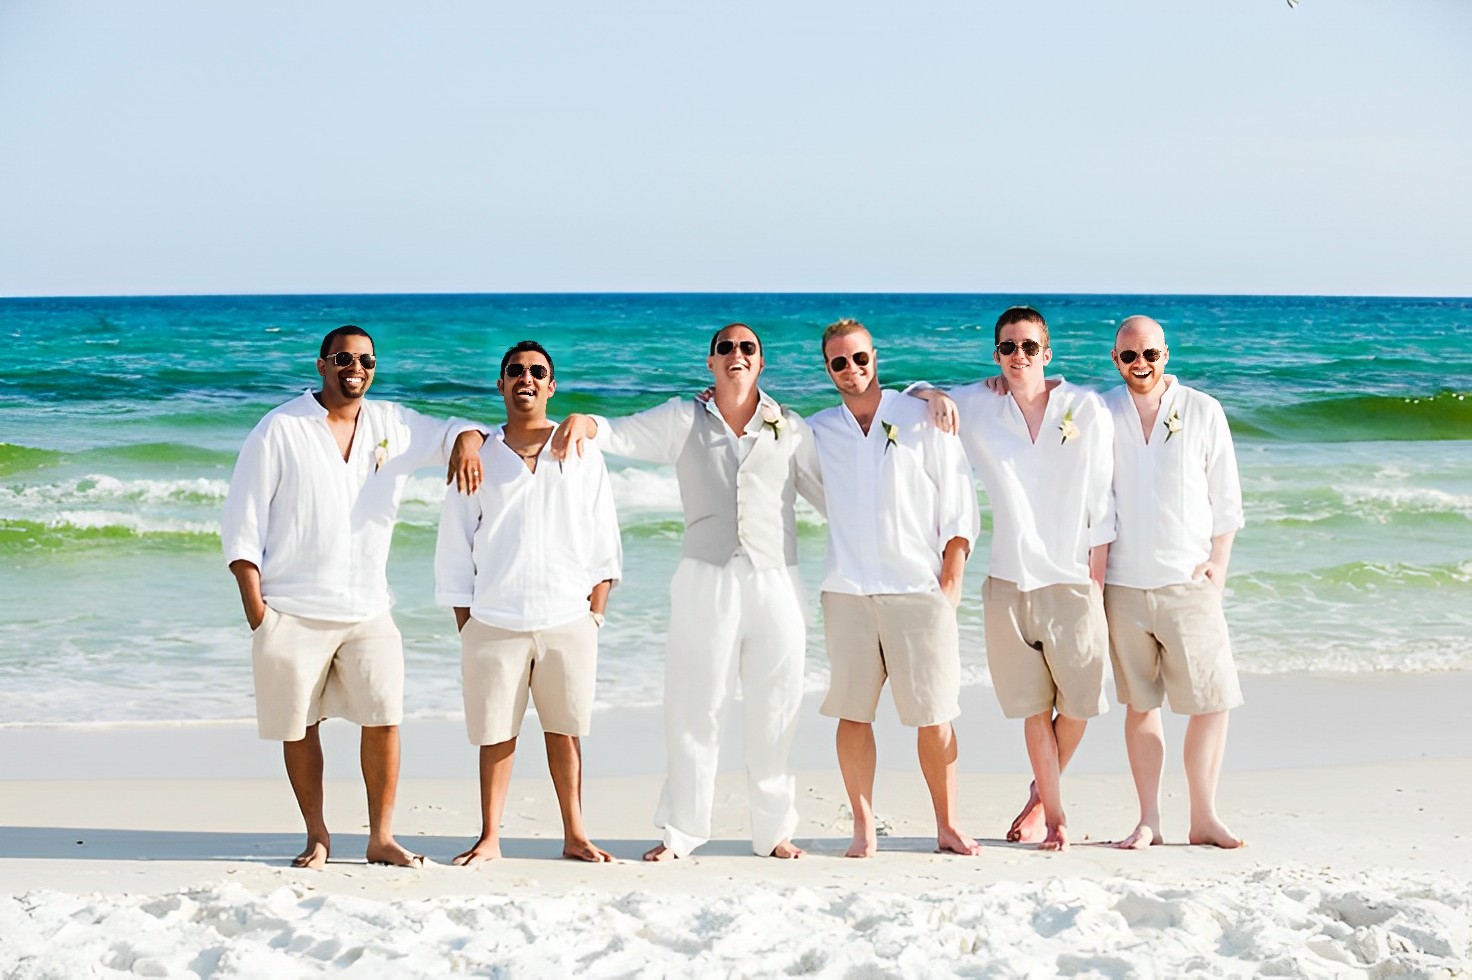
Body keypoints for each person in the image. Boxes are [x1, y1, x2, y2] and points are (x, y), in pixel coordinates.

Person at [554, 323, 824, 861]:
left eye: (748, 349)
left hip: (777, 580)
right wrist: (585, 420)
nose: (737, 356)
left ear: (761, 362)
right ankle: (681, 831)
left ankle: (774, 831)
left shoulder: (789, 426)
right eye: (726, 348)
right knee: (693, 706)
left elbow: (832, 496)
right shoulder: (683, 418)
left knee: (777, 706)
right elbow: (622, 433)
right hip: (706, 578)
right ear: (710, 361)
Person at [222, 325, 486, 869]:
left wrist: (466, 440)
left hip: (369, 608)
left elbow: (462, 426)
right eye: (343, 359)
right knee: (300, 726)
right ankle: (317, 835)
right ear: (321, 365)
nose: (355, 369)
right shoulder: (280, 428)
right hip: (290, 609)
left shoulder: (392, 424)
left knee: (385, 718)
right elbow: (242, 526)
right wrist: (259, 614)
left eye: (366, 361)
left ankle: (380, 837)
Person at [912, 306, 1114, 851]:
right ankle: (1054, 817)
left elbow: (1103, 497)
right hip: (1007, 581)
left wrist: (1096, 579)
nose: (1018, 357)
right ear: (995, 356)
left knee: (1078, 706)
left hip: (1073, 581)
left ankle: (1035, 797)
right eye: (1007, 348)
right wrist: (933, 395)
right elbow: (909, 395)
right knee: (1031, 709)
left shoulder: (1085, 408)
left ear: (1048, 354)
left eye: (1028, 347)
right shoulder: (979, 405)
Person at [435, 340, 622, 865]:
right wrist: (467, 622)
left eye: (537, 372)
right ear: (500, 384)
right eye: (515, 371)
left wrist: (596, 613)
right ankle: (490, 837)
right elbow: (455, 544)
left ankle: (575, 833)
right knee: (496, 734)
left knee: (566, 731)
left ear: (551, 385)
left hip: (568, 618)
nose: (526, 379)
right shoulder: (478, 455)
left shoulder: (582, 451)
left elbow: (603, 537)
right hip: (493, 621)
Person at [807, 319, 982, 858]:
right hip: (848, 592)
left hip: (918, 590)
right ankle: (862, 828)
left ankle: (947, 825)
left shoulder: (922, 415)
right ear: (828, 368)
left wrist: (950, 583)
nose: (851, 369)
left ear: (874, 357)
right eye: (839, 362)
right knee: (852, 712)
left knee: (935, 714)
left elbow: (958, 500)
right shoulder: (816, 431)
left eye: (859, 358)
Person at [1101, 315, 1245, 849]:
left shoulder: (1203, 410)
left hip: (1188, 582)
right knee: (1141, 705)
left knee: (1212, 701)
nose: (1141, 365)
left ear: (1167, 354)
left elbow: (1226, 499)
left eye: (1150, 355)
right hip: (1123, 584)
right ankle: (1148, 820)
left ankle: (1204, 816)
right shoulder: (1100, 411)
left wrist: (1218, 566)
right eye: (1129, 356)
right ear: (1115, 360)